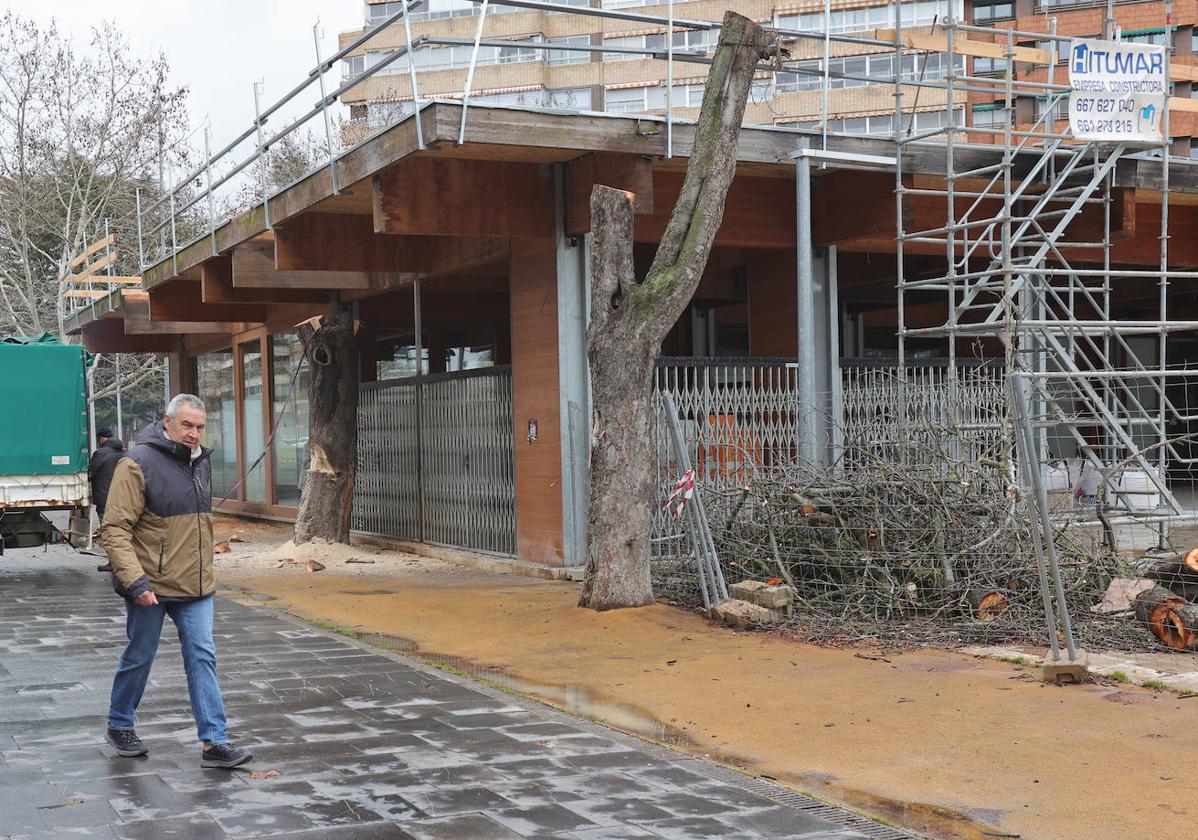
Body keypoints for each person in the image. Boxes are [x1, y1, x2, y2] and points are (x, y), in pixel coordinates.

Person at [101, 394, 252, 769]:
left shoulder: (200, 461)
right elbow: (115, 529)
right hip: (149, 584)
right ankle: (120, 723)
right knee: (140, 656)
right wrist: (136, 582)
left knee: (202, 656)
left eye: (200, 427)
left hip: (196, 586)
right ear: (167, 421)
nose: (194, 433)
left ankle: (214, 742)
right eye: (187, 425)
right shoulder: (136, 462)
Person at [88, 427, 126, 573]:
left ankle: (113, 562)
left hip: (105, 499)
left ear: (101, 438)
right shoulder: (124, 453)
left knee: (109, 532)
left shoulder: (100, 453)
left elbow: (91, 473)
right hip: (122, 499)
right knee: (122, 531)